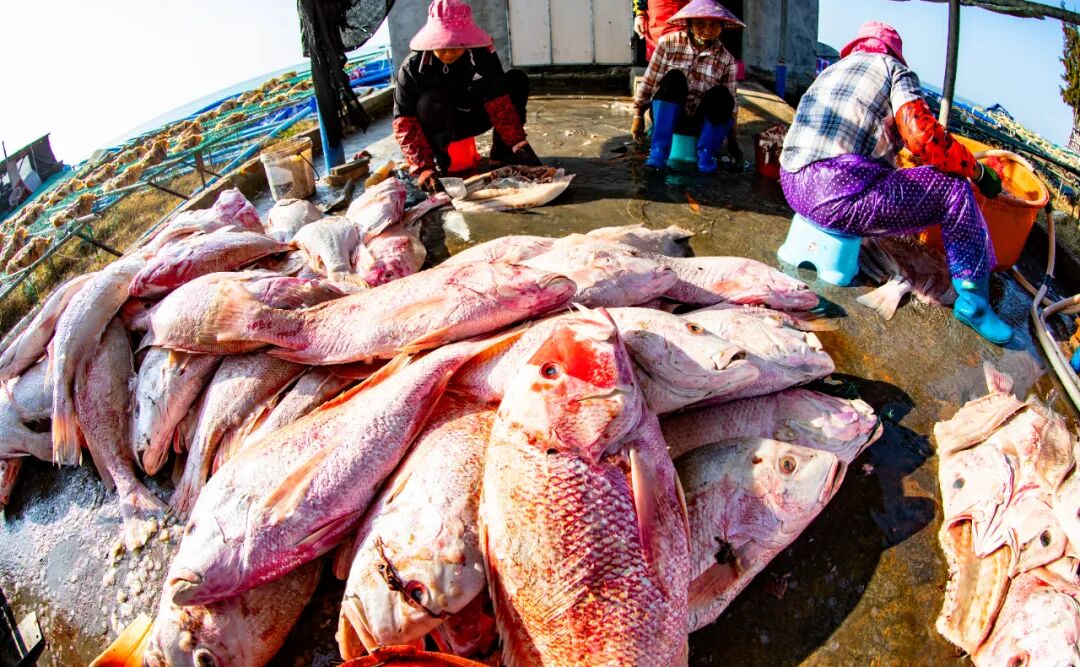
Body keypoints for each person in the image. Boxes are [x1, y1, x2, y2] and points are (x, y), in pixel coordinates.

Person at [779, 21, 1011, 345]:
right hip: (837, 196)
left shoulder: (834, 69)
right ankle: (974, 301)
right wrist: (979, 172)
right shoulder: (893, 70)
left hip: (791, 183)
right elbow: (925, 137)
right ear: (894, 54)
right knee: (953, 188)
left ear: (856, 48)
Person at [393, 0, 541, 193]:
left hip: (475, 116)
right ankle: (438, 165)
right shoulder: (412, 68)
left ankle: (502, 154)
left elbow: (499, 101)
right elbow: (404, 121)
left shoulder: (483, 56)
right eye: (442, 45)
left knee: (516, 80)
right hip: (439, 126)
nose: (449, 52)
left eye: (455, 44)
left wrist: (517, 143)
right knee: (431, 101)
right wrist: (422, 167)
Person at [631, 0, 743, 174]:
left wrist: (733, 142)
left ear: (721, 27)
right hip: (670, 118)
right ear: (689, 24)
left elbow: (731, 105)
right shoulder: (668, 43)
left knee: (722, 94)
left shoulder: (727, 59)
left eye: (714, 24)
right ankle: (658, 152)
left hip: (700, 122)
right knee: (674, 78)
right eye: (700, 23)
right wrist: (638, 116)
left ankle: (707, 154)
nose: (707, 29)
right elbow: (649, 81)